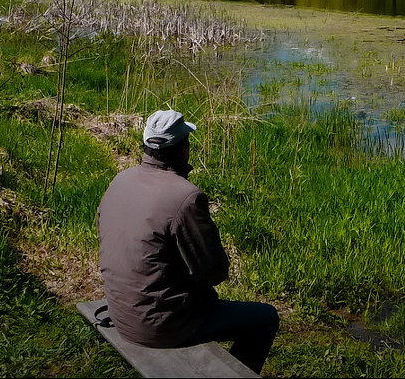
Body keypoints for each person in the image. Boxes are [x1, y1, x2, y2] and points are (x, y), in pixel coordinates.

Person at [97, 109, 279, 374]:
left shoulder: (120, 180)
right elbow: (214, 272)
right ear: (183, 148)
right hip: (160, 327)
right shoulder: (186, 197)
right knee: (265, 317)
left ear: (147, 144)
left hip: (121, 311)